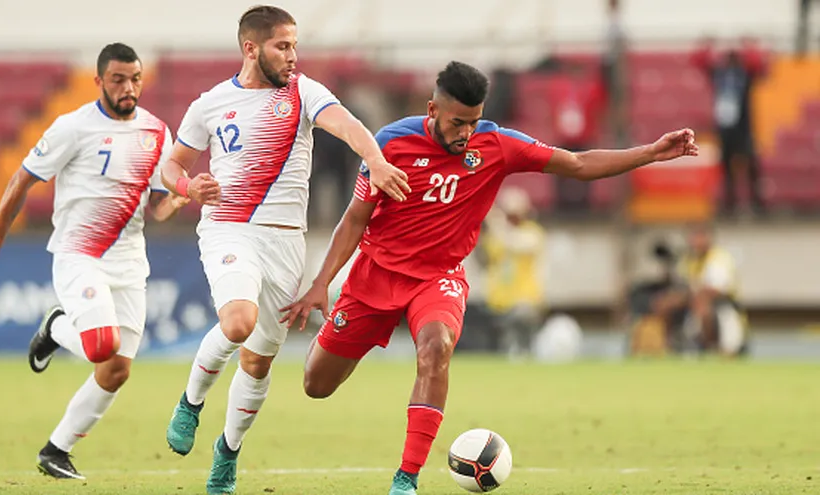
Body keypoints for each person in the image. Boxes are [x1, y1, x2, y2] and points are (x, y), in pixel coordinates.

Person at [280, 61, 698, 495]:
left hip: (437, 279)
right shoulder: (390, 143)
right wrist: (319, 283)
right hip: (376, 274)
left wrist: (649, 152)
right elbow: (354, 220)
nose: (465, 132)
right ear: (432, 110)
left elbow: (576, 163)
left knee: (435, 347)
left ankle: (406, 480)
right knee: (317, 385)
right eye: (457, 122)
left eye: (473, 121)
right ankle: (335, 341)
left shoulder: (496, 144)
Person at [158, 6, 409, 495]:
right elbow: (173, 165)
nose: (293, 56)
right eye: (282, 46)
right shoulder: (209, 104)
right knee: (237, 322)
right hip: (229, 229)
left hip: (284, 241)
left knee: (257, 362)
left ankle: (227, 454)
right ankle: (191, 402)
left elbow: (351, 126)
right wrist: (188, 188)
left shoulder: (305, 93)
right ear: (251, 48)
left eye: (295, 45)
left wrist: (375, 160)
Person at [0, 43, 188, 479]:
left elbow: (155, 207)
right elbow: (21, 179)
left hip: (129, 264)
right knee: (100, 345)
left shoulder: (158, 132)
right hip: (78, 256)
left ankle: (56, 451)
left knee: (117, 369)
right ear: (99, 81)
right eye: (119, 79)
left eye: (135, 79)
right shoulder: (73, 127)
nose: (128, 87)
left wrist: (176, 201)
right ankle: (55, 326)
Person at [690, 38, 767, 214]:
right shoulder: (720, 76)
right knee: (727, 168)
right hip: (725, 129)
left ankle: (756, 202)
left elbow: (759, 66)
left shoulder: (744, 76)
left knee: (751, 166)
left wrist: (750, 47)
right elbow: (700, 62)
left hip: (743, 127)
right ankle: (730, 202)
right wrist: (707, 45)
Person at [650, 224, 746, 356]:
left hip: (723, 305)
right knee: (663, 303)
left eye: (700, 237)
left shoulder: (719, 258)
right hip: (692, 300)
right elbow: (681, 284)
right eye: (694, 237)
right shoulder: (689, 259)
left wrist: (690, 295)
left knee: (702, 305)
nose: (696, 242)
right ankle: (670, 346)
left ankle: (708, 347)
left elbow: (714, 290)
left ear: (709, 239)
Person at [480, 187, 546, 359]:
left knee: (522, 330)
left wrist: (494, 219)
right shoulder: (495, 235)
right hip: (498, 301)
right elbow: (485, 260)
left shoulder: (533, 232)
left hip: (524, 301)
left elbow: (513, 243)